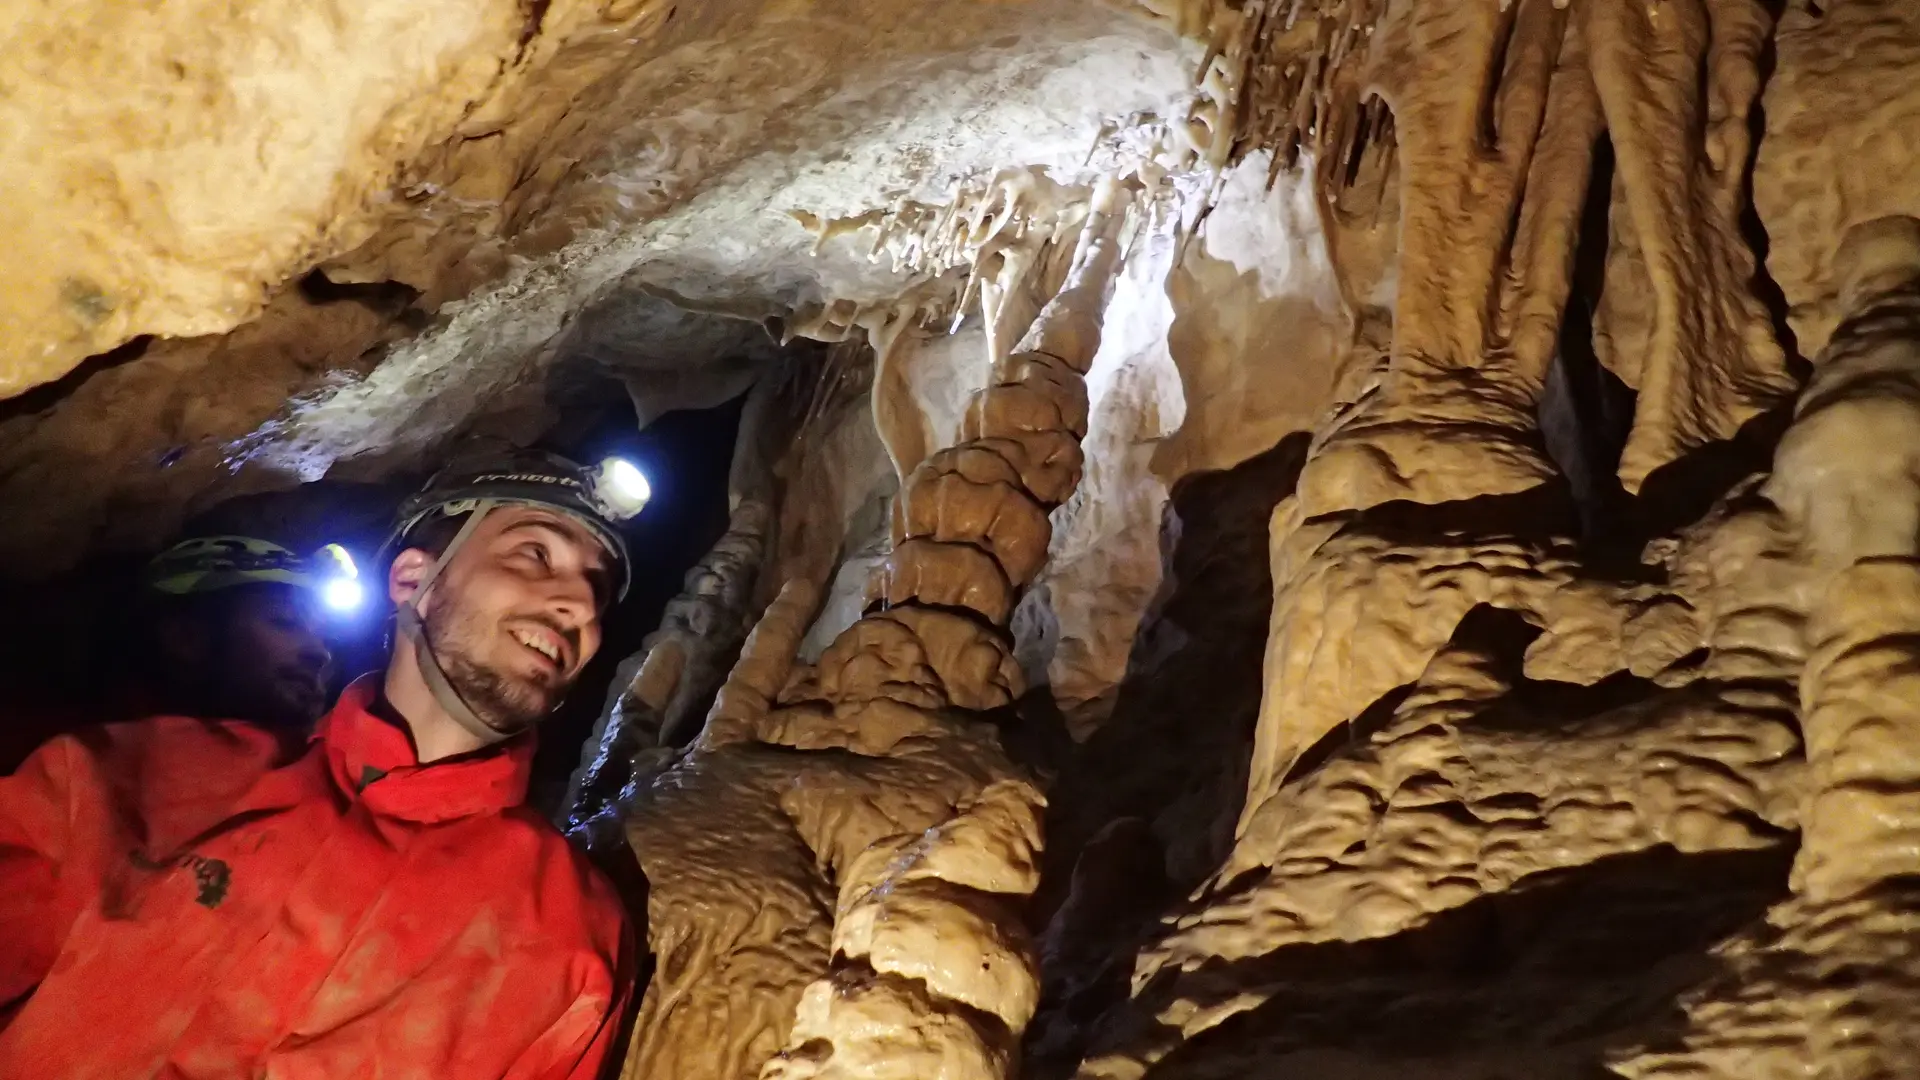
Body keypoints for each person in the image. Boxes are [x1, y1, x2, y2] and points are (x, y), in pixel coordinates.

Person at [0, 449, 641, 1079]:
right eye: (535, 554)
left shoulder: (569, 937)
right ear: (413, 580)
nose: (581, 606)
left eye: (598, 589)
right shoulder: (140, 777)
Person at [0, 535, 337, 775]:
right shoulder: (54, 769)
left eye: (321, 633)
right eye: (284, 621)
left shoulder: (320, 774)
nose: (319, 652)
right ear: (186, 638)